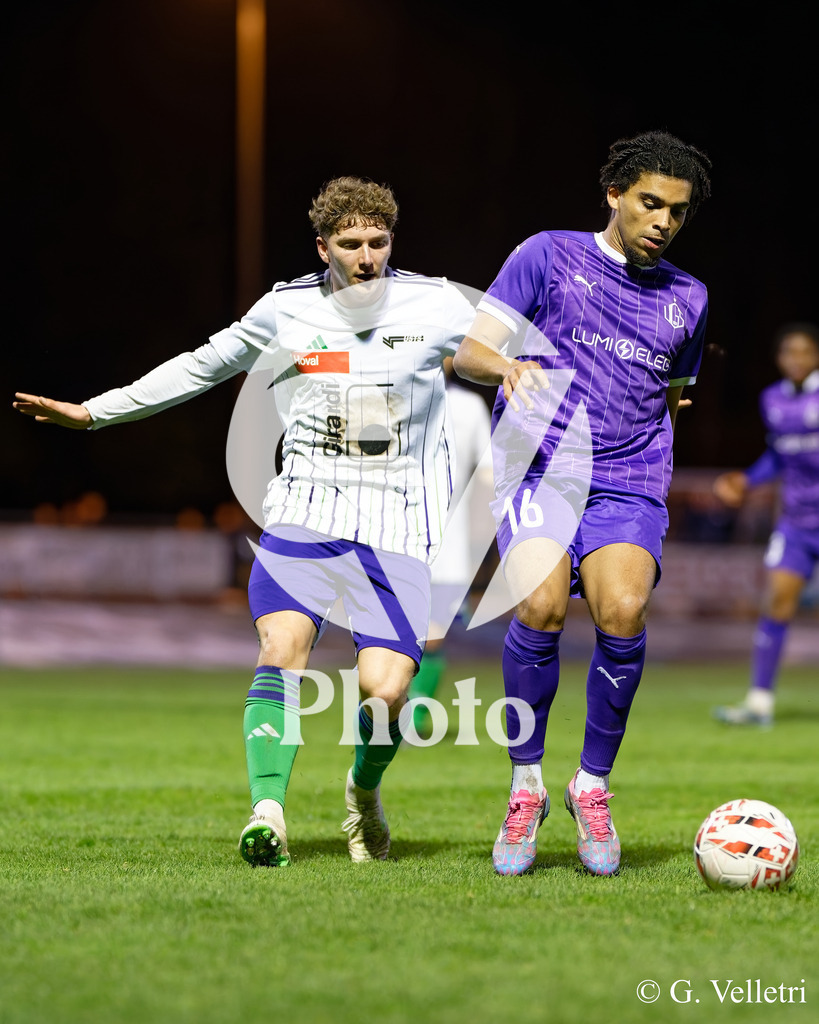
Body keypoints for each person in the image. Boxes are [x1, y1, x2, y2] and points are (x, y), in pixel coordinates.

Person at [13, 176, 477, 867]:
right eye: (349, 244)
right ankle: (267, 812)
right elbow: (202, 367)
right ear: (322, 247)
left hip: (396, 528)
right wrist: (94, 411)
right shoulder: (284, 310)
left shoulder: (437, 303)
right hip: (303, 515)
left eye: (377, 242)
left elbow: (518, 354)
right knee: (280, 651)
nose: (365, 256)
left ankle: (362, 790)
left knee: (386, 689)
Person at [453, 130, 712, 876]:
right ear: (614, 196)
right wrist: (506, 368)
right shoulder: (547, 256)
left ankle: (589, 786)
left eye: (677, 211)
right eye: (649, 203)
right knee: (537, 606)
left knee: (622, 613)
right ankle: (525, 786)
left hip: (629, 479)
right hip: (540, 470)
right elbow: (469, 352)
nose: (662, 221)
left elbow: (674, 395)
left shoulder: (689, 298)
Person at [712, 323, 819, 727]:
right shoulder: (771, 400)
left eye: (805, 351)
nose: (797, 359)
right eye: (789, 352)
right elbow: (778, 455)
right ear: (779, 359)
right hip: (796, 522)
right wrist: (747, 480)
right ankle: (759, 702)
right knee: (776, 600)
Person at [407, 358, 493, 736]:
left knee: (433, 633)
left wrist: (481, 541)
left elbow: (489, 475)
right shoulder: (395, 396)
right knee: (400, 633)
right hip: (395, 537)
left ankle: (413, 719)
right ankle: (395, 710)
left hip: (449, 544)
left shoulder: (469, 406)